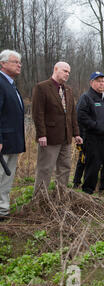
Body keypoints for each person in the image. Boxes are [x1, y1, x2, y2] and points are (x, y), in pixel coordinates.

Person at [32, 62, 83, 195]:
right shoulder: (42, 87)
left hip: (66, 137)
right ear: (55, 69)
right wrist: (41, 134)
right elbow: (38, 113)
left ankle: (61, 196)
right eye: (65, 71)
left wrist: (76, 133)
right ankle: (39, 199)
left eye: (69, 72)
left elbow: (72, 114)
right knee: (45, 168)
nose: (67, 74)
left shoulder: (68, 90)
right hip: (49, 137)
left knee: (65, 168)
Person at [77, 71, 104, 194]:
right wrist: (96, 126)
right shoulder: (86, 97)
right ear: (91, 82)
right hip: (93, 138)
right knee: (93, 165)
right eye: (98, 81)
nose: (101, 83)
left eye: (103, 81)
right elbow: (81, 116)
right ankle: (88, 189)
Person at [0, 50, 25, 221]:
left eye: (20, 62)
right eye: (15, 62)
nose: (19, 65)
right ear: (3, 63)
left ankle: (2, 209)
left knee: (7, 178)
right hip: (3, 141)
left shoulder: (11, 84)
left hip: (13, 141)